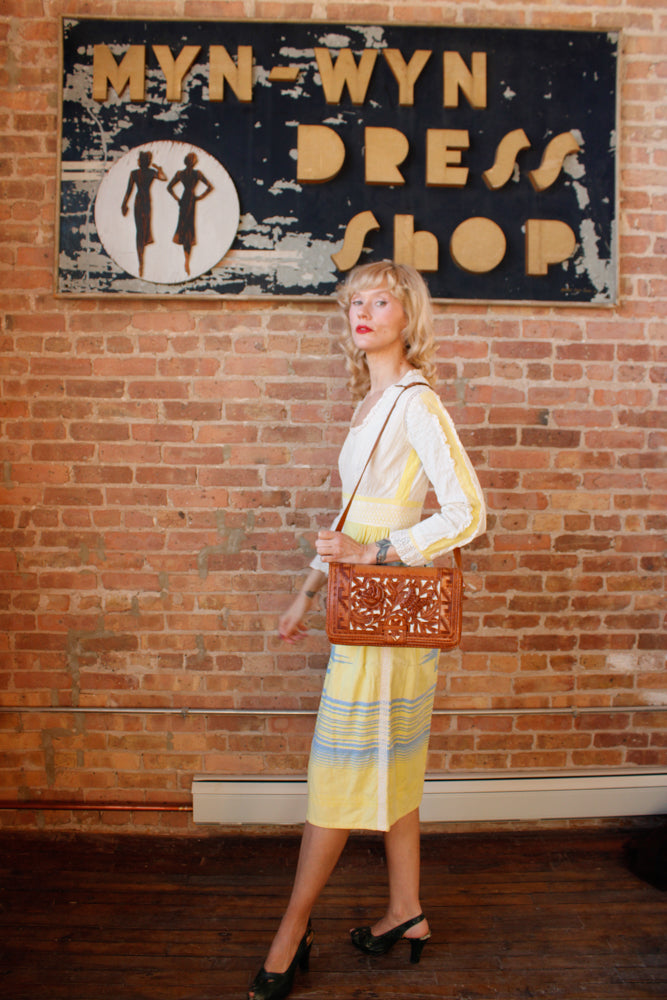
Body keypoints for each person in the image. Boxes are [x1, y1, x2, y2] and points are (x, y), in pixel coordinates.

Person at [247, 260, 486, 1000]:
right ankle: (405, 911)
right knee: (390, 766)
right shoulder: (373, 402)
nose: (363, 310)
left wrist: (376, 555)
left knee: (338, 779)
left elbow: (466, 514)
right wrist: (305, 591)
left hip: (388, 610)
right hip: (370, 612)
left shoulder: (415, 400)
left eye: (380, 300)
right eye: (354, 300)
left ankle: (289, 934)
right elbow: (354, 519)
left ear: (407, 316)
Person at [121, 150, 167, 277]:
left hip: (139, 201)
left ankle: (141, 260)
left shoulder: (135, 173)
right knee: (142, 230)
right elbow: (163, 177)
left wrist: (124, 204)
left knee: (141, 230)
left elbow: (129, 191)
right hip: (145, 201)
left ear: (142, 161)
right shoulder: (150, 172)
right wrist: (159, 169)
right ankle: (141, 261)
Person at [167, 152, 214, 275]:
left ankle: (186, 259)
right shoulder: (196, 174)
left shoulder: (181, 174)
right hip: (190, 200)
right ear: (193, 162)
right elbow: (210, 187)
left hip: (185, 200)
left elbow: (169, 188)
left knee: (186, 227)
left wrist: (178, 199)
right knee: (188, 228)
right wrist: (199, 197)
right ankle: (186, 259)